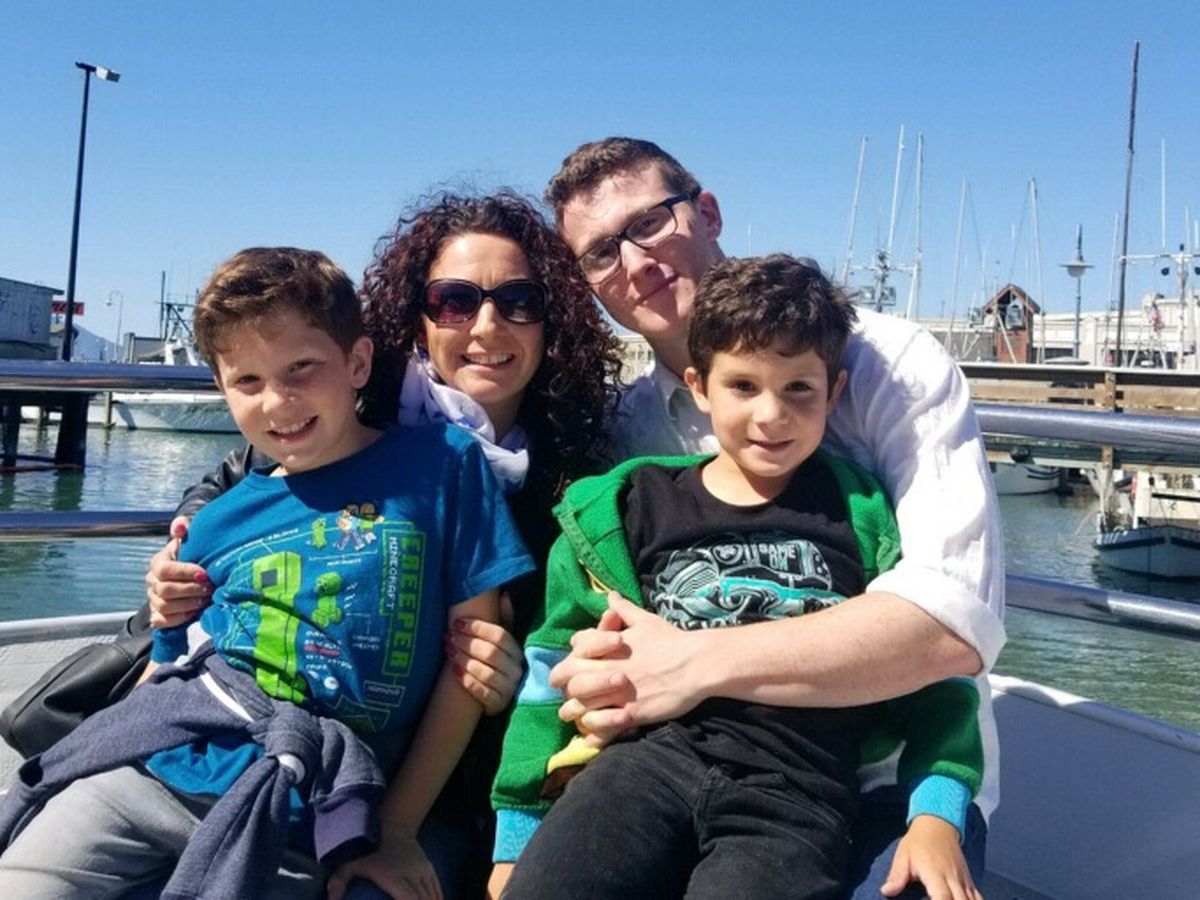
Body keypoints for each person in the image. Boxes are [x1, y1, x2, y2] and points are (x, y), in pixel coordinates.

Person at [538, 138, 1004, 897]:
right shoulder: (629, 436)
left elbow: (950, 625)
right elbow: (597, 607)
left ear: (708, 211)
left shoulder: (890, 365)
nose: (636, 262)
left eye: (649, 223)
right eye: (600, 253)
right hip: (675, 767)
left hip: (895, 779)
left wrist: (691, 661)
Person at [0, 247, 536, 899]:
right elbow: (164, 672)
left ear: (358, 363)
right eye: (247, 381)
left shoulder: (445, 466)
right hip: (149, 771)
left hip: (305, 808)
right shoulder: (214, 522)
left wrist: (396, 826)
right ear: (221, 387)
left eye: (301, 368)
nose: (278, 401)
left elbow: (469, 663)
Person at [143, 194, 624, 893]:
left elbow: (564, 644)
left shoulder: (578, 482)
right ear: (416, 317)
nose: (487, 325)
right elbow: (239, 490)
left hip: (456, 780)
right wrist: (178, 547)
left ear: (554, 320)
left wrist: (516, 671)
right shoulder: (346, 415)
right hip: (283, 749)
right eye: (454, 301)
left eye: (519, 300)